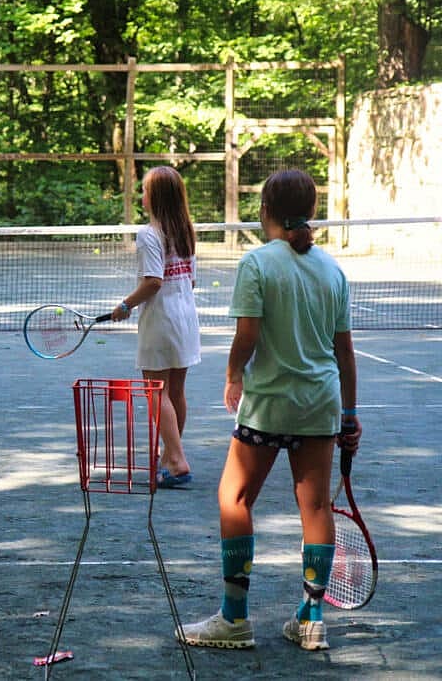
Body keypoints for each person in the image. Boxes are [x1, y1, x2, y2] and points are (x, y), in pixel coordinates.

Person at [177, 169, 361, 651]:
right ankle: (311, 618)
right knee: (317, 508)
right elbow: (345, 353)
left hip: (267, 407)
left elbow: (248, 334)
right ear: (310, 211)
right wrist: (350, 414)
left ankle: (234, 618)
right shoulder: (332, 270)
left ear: (265, 213)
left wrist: (233, 374)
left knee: (233, 499)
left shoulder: (257, 263)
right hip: (320, 405)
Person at [111, 165, 201, 488]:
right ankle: (169, 456)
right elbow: (190, 280)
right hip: (186, 318)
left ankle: (176, 460)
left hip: (162, 319)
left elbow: (153, 282)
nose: (142, 195)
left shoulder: (149, 234)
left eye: (146, 190)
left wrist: (124, 306)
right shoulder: (187, 230)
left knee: (155, 391)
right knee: (175, 390)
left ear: (157, 197)